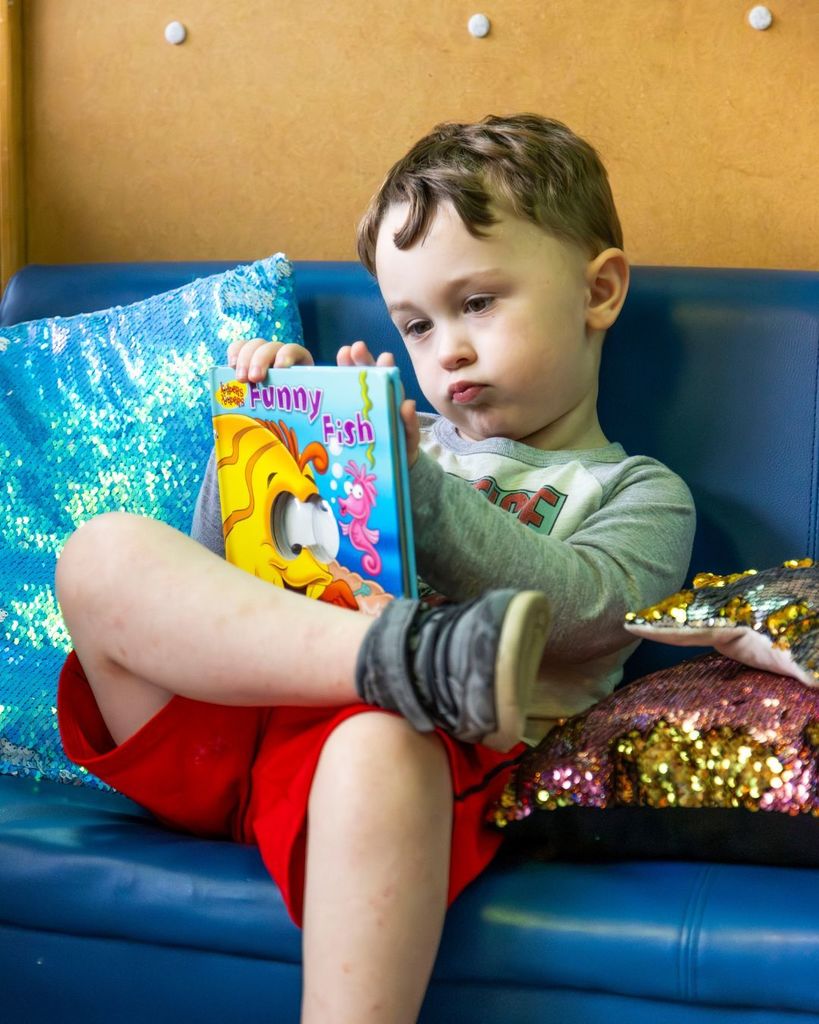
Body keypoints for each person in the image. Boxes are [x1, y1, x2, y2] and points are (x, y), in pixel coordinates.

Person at [55, 113, 695, 1024]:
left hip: (410, 769)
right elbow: (216, 583)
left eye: (477, 303)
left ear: (599, 290)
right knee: (101, 551)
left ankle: (408, 672)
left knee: (379, 738)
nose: (447, 352)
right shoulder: (403, 430)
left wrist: (419, 493)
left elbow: (589, 613)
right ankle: (400, 655)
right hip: (244, 721)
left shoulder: (638, 489)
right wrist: (262, 441)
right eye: (415, 326)